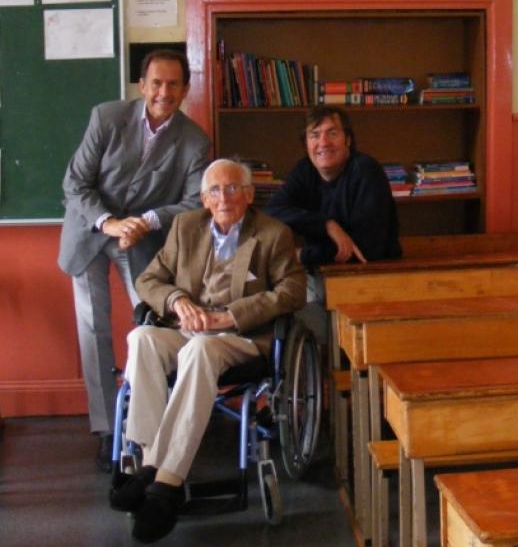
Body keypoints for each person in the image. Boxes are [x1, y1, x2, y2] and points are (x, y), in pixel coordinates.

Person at [109, 159, 306, 543]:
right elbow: (148, 280)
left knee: (199, 350)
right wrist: (177, 300)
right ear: (203, 198)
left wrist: (230, 315)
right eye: (214, 190)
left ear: (249, 194)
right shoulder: (185, 227)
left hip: (239, 338)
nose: (223, 197)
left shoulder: (273, 233)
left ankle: (167, 481)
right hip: (185, 330)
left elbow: (293, 290)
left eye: (233, 188)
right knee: (141, 338)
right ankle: (150, 463)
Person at [57, 49, 210, 472]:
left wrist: (145, 221)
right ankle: (107, 429)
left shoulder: (195, 141)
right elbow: (75, 183)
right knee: (94, 329)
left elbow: (195, 202)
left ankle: (147, 425)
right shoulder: (106, 118)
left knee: (150, 326)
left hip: (141, 240)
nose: (164, 92)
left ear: (185, 89)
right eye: (156, 83)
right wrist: (109, 223)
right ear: (141, 86)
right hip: (90, 230)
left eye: (173, 84)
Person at [263, 105, 401, 341]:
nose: (323, 143)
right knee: (270, 307)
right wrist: (326, 224)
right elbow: (271, 212)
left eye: (332, 133)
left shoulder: (366, 171)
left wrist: (303, 255)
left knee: (291, 323)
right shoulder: (306, 170)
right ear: (306, 144)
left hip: (369, 286)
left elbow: (363, 250)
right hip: (322, 276)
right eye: (314, 135)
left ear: (348, 140)